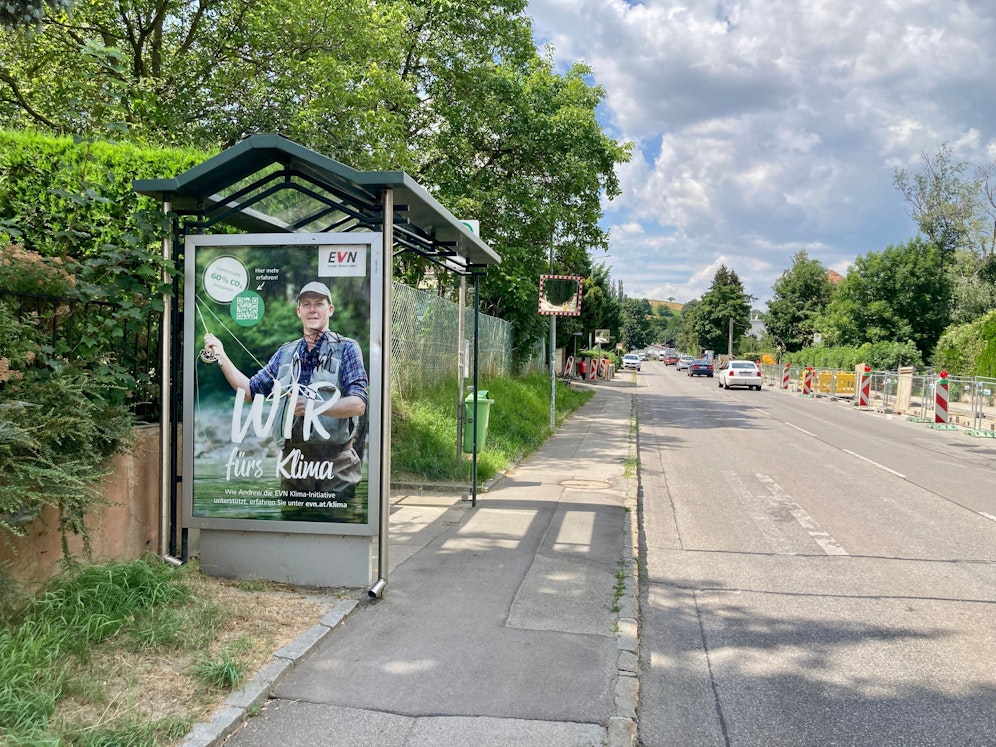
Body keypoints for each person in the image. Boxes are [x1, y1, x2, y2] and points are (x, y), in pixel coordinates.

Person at [203, 281, 368, 517]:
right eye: (306, 304)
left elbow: (358, 404)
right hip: (293, 466)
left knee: (337, 532)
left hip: (337, 466)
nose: (313, 309)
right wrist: (220, 354)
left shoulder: (348, 348)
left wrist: (313, 407)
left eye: (319, 304)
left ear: (330, 310)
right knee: (291, 530)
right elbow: (250, 392)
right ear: (298, 311)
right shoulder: (285, 353)